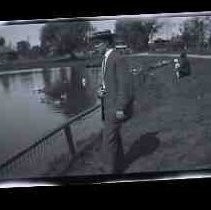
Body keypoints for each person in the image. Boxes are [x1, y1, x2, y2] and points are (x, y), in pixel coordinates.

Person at [94, 31, 134, 174]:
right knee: (114, 136)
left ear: (106, 43)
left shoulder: (117, 58)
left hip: (114, 107)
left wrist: (121, 107)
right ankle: (120, 163)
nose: (95, 46)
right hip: (108, 105)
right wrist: (100, 91)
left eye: (97, 43)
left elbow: (125, 85)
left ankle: (109, 170)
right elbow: (107, 83)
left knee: (108, 138)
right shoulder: (106, 59)